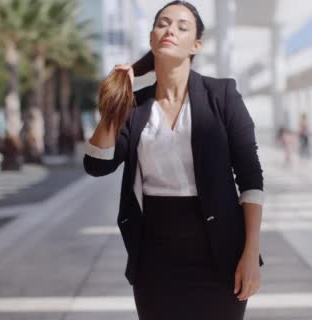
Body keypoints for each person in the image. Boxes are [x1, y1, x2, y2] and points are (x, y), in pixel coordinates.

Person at [82, 2, 264, 319]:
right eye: (163, 24)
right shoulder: (135, 107)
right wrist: (115, 102)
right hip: (154, 259)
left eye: (182, 26)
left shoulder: (221, 95)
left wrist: (250, 253)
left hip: (220, 255)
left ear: (196, 45)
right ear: (152, 38)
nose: (170, 30)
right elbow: (97, 164)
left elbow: (250, 179)